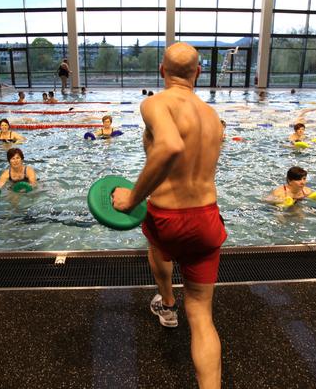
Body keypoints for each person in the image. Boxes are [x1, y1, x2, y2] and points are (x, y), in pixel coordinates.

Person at [111, 42, 226, 389]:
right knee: (202, 315)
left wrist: (133, 198)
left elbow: (171, 146)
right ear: (199, 73)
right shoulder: (212, 117)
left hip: (166, 216)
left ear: (162, 71)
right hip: (207, 216)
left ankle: (167, 302)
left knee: (156, 245)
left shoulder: (156, 102)